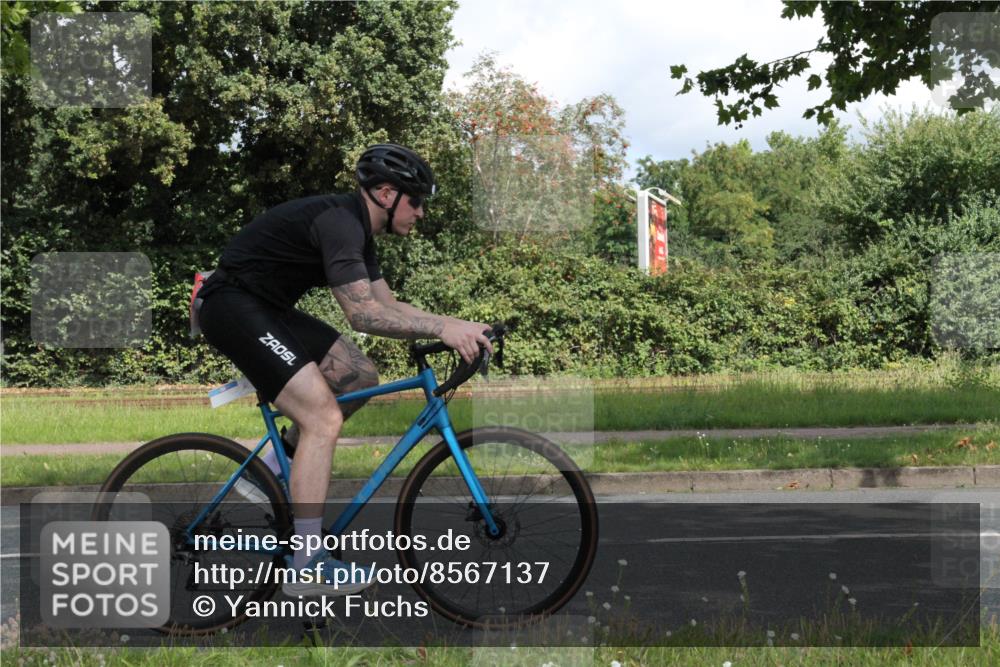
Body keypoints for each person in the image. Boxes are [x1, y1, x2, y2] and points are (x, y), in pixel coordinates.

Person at [196, 144, 492, 596]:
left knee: (358, 375)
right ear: (386, 193)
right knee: (323, 418)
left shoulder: (361, 232)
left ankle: (273, 470)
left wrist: (455, 325)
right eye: (416, 201)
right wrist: (444, 329)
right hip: (232, 306)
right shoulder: (340, 223)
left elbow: (386, 305)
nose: (422, 212)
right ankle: (307, 563)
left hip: (266, 309)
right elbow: (363, 316)